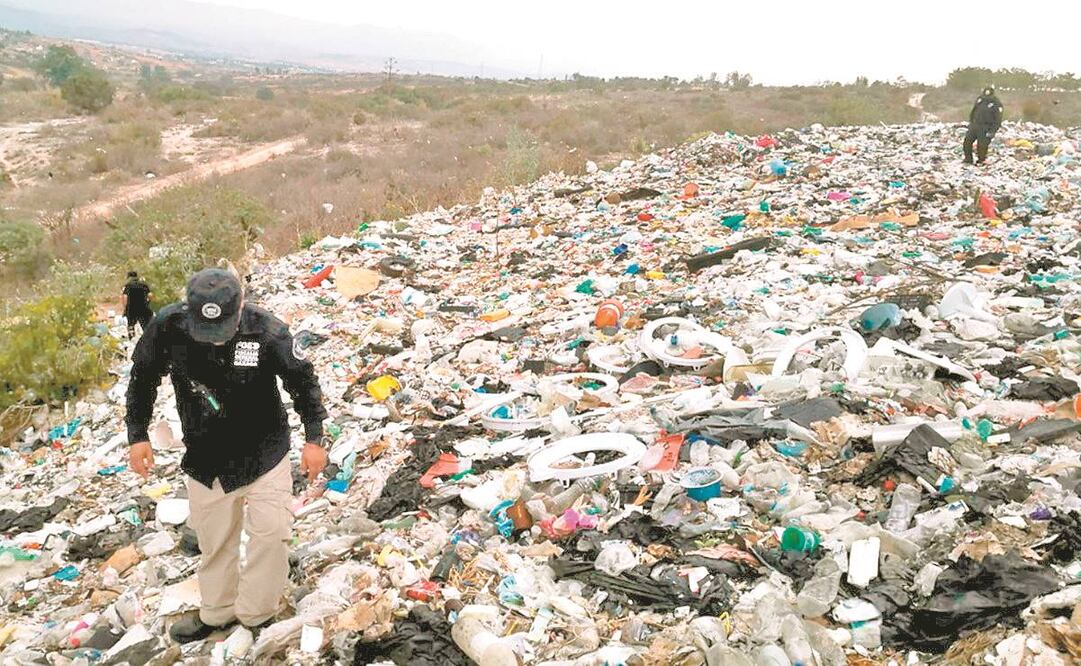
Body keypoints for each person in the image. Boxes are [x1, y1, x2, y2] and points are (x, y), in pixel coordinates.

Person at [125, 268, 328, 643]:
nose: (215, 342)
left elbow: (303, 382)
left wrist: (315, 438)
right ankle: (217, 613)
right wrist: (137, 434)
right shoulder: (167, 326)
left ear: (239, 310)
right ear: (189, 311)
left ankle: (257, 615)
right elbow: (143, 376)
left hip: (265, 452)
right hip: (207, 459)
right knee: (215, 542)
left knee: (271, 536)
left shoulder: (266, 331)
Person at [963, 86, 1003, 165]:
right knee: (967, 142)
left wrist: (992, 131)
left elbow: (998, 119)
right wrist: (971, 123)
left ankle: (981, 161)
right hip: (975, 125)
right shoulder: (980, 100)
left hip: (986, 127)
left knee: (981, 146)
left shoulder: (996, 103)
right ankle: (968, 159)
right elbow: (973, 112)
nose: (986, 96)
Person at [122, 271, 153, 338]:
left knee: (131, 326)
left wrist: (125, 308)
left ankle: (131, 338)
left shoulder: (128, 285)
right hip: (143, 308)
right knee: (146, 328)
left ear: (129, 277)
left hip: (131, 309)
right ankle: (148, 340)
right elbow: (150, 295)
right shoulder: (144, 284)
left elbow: (125, 297)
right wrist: (148, 302)